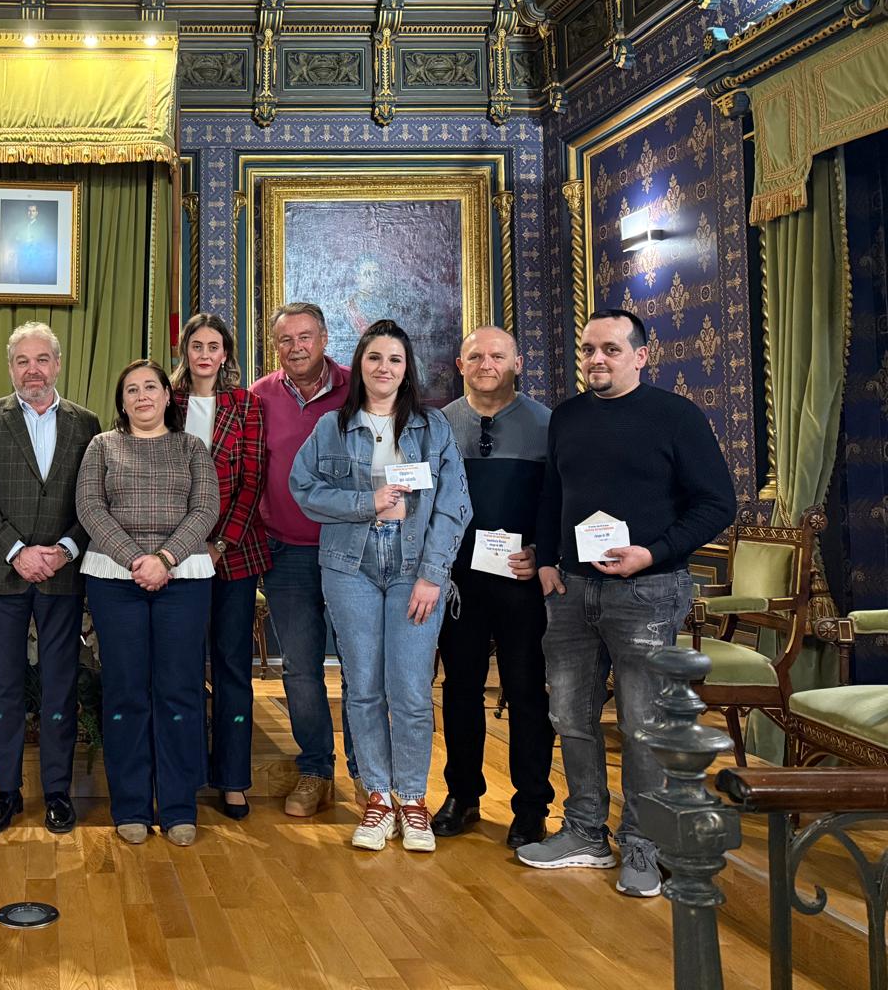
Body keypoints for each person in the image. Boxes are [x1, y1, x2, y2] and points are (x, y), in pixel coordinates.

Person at [520, 309, 735, 898]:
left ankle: (643, 841)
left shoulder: (676, 417)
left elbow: (718, 504)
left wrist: (652, 553)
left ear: (641, 356)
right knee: (570, 716)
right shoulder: (566, 417)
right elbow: (552, 493)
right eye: (589, 348)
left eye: (610, 349)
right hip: (570, 591)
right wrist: (546, 560)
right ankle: (585, 831)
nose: (596, 359)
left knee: (642, 725)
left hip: (647, 591)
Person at [290, 319, 472, 854]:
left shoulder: (432, 427)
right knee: (363, 686)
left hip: (415, 567)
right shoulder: (331, 427)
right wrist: (364, 503)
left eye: (394, 359)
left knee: (411, 690)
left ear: (406, 369)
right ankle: (376, 796)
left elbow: (454, 505)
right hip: (351, 566)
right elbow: (303, 488)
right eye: (374, 358)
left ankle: (412, 798)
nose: (384, 368)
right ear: (359, 365)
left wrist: (433, 574)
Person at [0, 320, 102, 836]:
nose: (33, 369)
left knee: (60, 685)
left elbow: (94, 499)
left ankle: (58, 792)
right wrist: (17, 551)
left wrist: (64, 550)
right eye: (23, 361)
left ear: (58, 364)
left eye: (42, 359)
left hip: (63, 574)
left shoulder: (87, 424)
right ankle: (7, 791)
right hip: (4, 573)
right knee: (3, 686)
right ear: (10, 367)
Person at [78, 360, 220, 846]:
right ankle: (131, 806)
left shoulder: (191, 447)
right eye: (132, 390)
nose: (142, 396)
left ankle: (178, 807)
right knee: (126, 692)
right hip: (115, 581)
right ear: (122, 402)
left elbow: (205, 508)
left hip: (183, 580)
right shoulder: (102, 446)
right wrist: (135, 559)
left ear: (166, 395)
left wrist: (164, 558)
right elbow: (89, 507)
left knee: (179, 691)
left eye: (150, 387)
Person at [434, 327, 554, 847]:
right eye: (476, 356)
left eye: (498, 356)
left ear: (517, 363)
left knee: (526, 692)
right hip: (458, 584)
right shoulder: (438, 425)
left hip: (521, 581)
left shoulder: (547, 424)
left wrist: (542, 553)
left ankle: (531, 806)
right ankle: (462, 795)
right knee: (459, 690)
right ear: (460, 366)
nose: (487, 364)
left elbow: (560, 502)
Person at [249, 301, 357, 817]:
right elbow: (248, 470)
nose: (296, 347)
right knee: (300, 669)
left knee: (361, 666)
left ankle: (367, 774)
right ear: (275, 346)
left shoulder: (358, 388)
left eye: (305, 337)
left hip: (352, 551)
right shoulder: (260, 396)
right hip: (286, 552)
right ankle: (316, 770)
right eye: (285, 339)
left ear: (324, 338)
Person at [171, 313, 269, 820]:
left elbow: (253, 481)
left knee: (232, 669)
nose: (205, 354)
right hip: (174, 556)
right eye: (197, 345)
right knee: (183, 668)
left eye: (214, 346)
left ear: (226, 353)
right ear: (185, 351)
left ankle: (233, 779)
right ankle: (186, 775)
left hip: (234, 555)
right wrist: (180, 548)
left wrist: (219, 544)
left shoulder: (246, 405)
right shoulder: (167, 402)